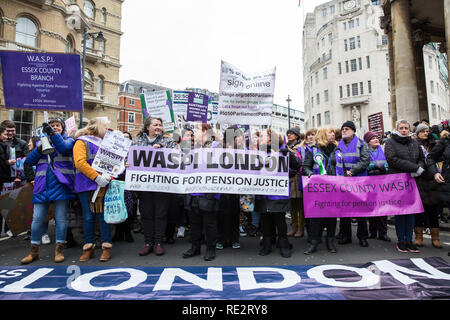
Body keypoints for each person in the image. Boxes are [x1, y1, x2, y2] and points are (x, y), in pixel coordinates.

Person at [21, 117, 75, 264]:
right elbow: (29, 161)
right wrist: (39, 148)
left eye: (58, 125)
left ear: (62, 128)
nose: (55, 127)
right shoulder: (40, 142)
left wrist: (52, 135)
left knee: (61, 219)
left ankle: (59, 250)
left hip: (61, 183)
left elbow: (63, 148)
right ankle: (33, 251)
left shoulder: (68, 140)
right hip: (42, 184)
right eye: (52, 126)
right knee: (37, 219)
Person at [256, 128, 301, 258]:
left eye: (263, 136)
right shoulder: (258, 152)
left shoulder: (283, 150)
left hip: (277, 192)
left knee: (279, 219)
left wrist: (289, 155)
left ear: (271, 138)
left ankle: (283, 244)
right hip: (263, 191)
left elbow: (297, 165)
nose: (260, 138)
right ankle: (267, 244)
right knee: (265, 219)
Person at [73, 118, 113, 262]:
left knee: (102, 215)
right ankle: (88, 247)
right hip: (86, 184)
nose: (108, 130)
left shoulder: (105, 143)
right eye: (106, 127)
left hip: (101, 184)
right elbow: (80, 163)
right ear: (99, 127)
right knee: (88, 216)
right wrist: (97, 177)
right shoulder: (81, 141)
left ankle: (106, 247)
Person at [135, 117, 175, 257]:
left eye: (160, 124)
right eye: (155, 124)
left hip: (162, 184)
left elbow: (176, 158)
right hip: (144, 184)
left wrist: (163, 150)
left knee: (161, 214)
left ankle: (158, 242)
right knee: (146, 214)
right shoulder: (138, 141)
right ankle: (148, 242)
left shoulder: (168, 141)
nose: (158, 127)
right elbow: (131, 157)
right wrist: (128, 163)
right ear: (148, 127)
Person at [182, 123, 222, 261]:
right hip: (193, 193)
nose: (194, 133)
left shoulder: (216, 147)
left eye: (197, 130)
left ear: (206, 132)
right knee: (194, 223)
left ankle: (211, 248)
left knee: (209, 223)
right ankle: (195, 247)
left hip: (208, 193)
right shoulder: (192, 148)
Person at [384, 119, 425, 253]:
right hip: (398, 182)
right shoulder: (390, 142)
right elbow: (392, 159)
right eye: (401, 128)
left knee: (411, 212)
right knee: (400, 212)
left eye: (406, 128)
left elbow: (421, 159)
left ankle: (409, 240)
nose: (404, 130)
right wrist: (414, 168)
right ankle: (401, 240)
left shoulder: (414, 142)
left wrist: (419, 167)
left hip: (412, 181)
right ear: (397, 129)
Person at [302, 127, 338, 254]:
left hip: (334, 187)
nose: (333, 134)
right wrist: (311, 175)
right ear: (323, 135)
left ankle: (330, 241)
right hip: (318, 188)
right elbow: (305, 167)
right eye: (330, 132)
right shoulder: (312, 150)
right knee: (316, 216)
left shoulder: (338, 149)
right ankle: (313, 242)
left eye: (334, 132)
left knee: (332, 216)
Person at [335, 121, 371, 247]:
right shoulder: (338, 145)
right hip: (343, 182)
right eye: (343, 129)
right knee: (344, 210)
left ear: (353, 131)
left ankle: (362, 237)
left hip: (359, 181)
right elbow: (335, 162)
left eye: (347, 129)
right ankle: (345, 235)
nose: (344, 131)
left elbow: (366, 160)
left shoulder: (362, 144)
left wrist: (353, 171)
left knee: (360, 210)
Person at [414, 124, 442, 248]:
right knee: (420, 210)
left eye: (427, 131)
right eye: (422, 131)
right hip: (420, 179)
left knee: (433, 210)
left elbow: (440, 157)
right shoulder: (414, 145)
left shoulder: (435, 144)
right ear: (417, 133)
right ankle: (418, 237)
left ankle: (435, 238)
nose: (425, 133)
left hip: (432, 179)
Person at [216, 127, 244, 250]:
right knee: (221, 213)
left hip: (236, 188)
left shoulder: (242, 150)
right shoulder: (219, 148)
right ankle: (221, 238)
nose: (240, 139)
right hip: (221, 187)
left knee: (234, 213)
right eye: (238, 137)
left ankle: (234, 239)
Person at [364, 131, 391, 242]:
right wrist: (374, 165)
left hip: (382, 181)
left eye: (376, 138)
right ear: (368, 142)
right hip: (370, 181)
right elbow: (365, 164)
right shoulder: (365, 151)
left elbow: (387, 164)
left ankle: (383, 232)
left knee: (382, 208)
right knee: (372, 207)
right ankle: (372, 231)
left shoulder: (383, 150)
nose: (376, 140)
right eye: (372, 138)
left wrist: (383, 167)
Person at [113, 131, 135, 243]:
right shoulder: (114, 150)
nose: (125, 139)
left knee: (128, 208)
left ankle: (127, 232)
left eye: (128, 138)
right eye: (123, 137)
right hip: (117, 181)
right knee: (118, 206)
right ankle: (118, 233)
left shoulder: (134, 151)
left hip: (129, 183)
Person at [286, 127, 305, 238]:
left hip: (299, 177)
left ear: (297, 135)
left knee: (300, 205)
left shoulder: (302, 147)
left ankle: (301, 228)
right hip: (289, 178)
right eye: (288, 133)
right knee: (292, 205)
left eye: (292, 133)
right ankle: (293, 227)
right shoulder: (285, 147)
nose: (289, 135)